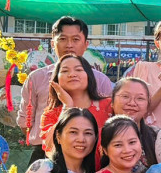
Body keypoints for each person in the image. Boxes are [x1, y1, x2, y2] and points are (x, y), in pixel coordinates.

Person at [17, 16, 114, 147]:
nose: (69, 45)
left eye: (75, 39)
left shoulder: (101, 80)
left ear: (86, 44)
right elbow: (25, 122)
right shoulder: (36, 78)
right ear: (52, 43)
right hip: (45, 149)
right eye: (62, 39)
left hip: (89, 150)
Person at [39, 55, 111, 155]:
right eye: (65, 71)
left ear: (88, 75)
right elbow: (50, 147)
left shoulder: (110, 106)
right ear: (57, 79)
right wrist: (67, 107)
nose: (72, 74)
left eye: (78, 69)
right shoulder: (51, 114)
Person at [109, 77, 158, 172]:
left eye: (140, 98)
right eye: (125, 96)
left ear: (148, 104)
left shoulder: (157, 135)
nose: (132, 103)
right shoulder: (99, 136)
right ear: (112, 102)